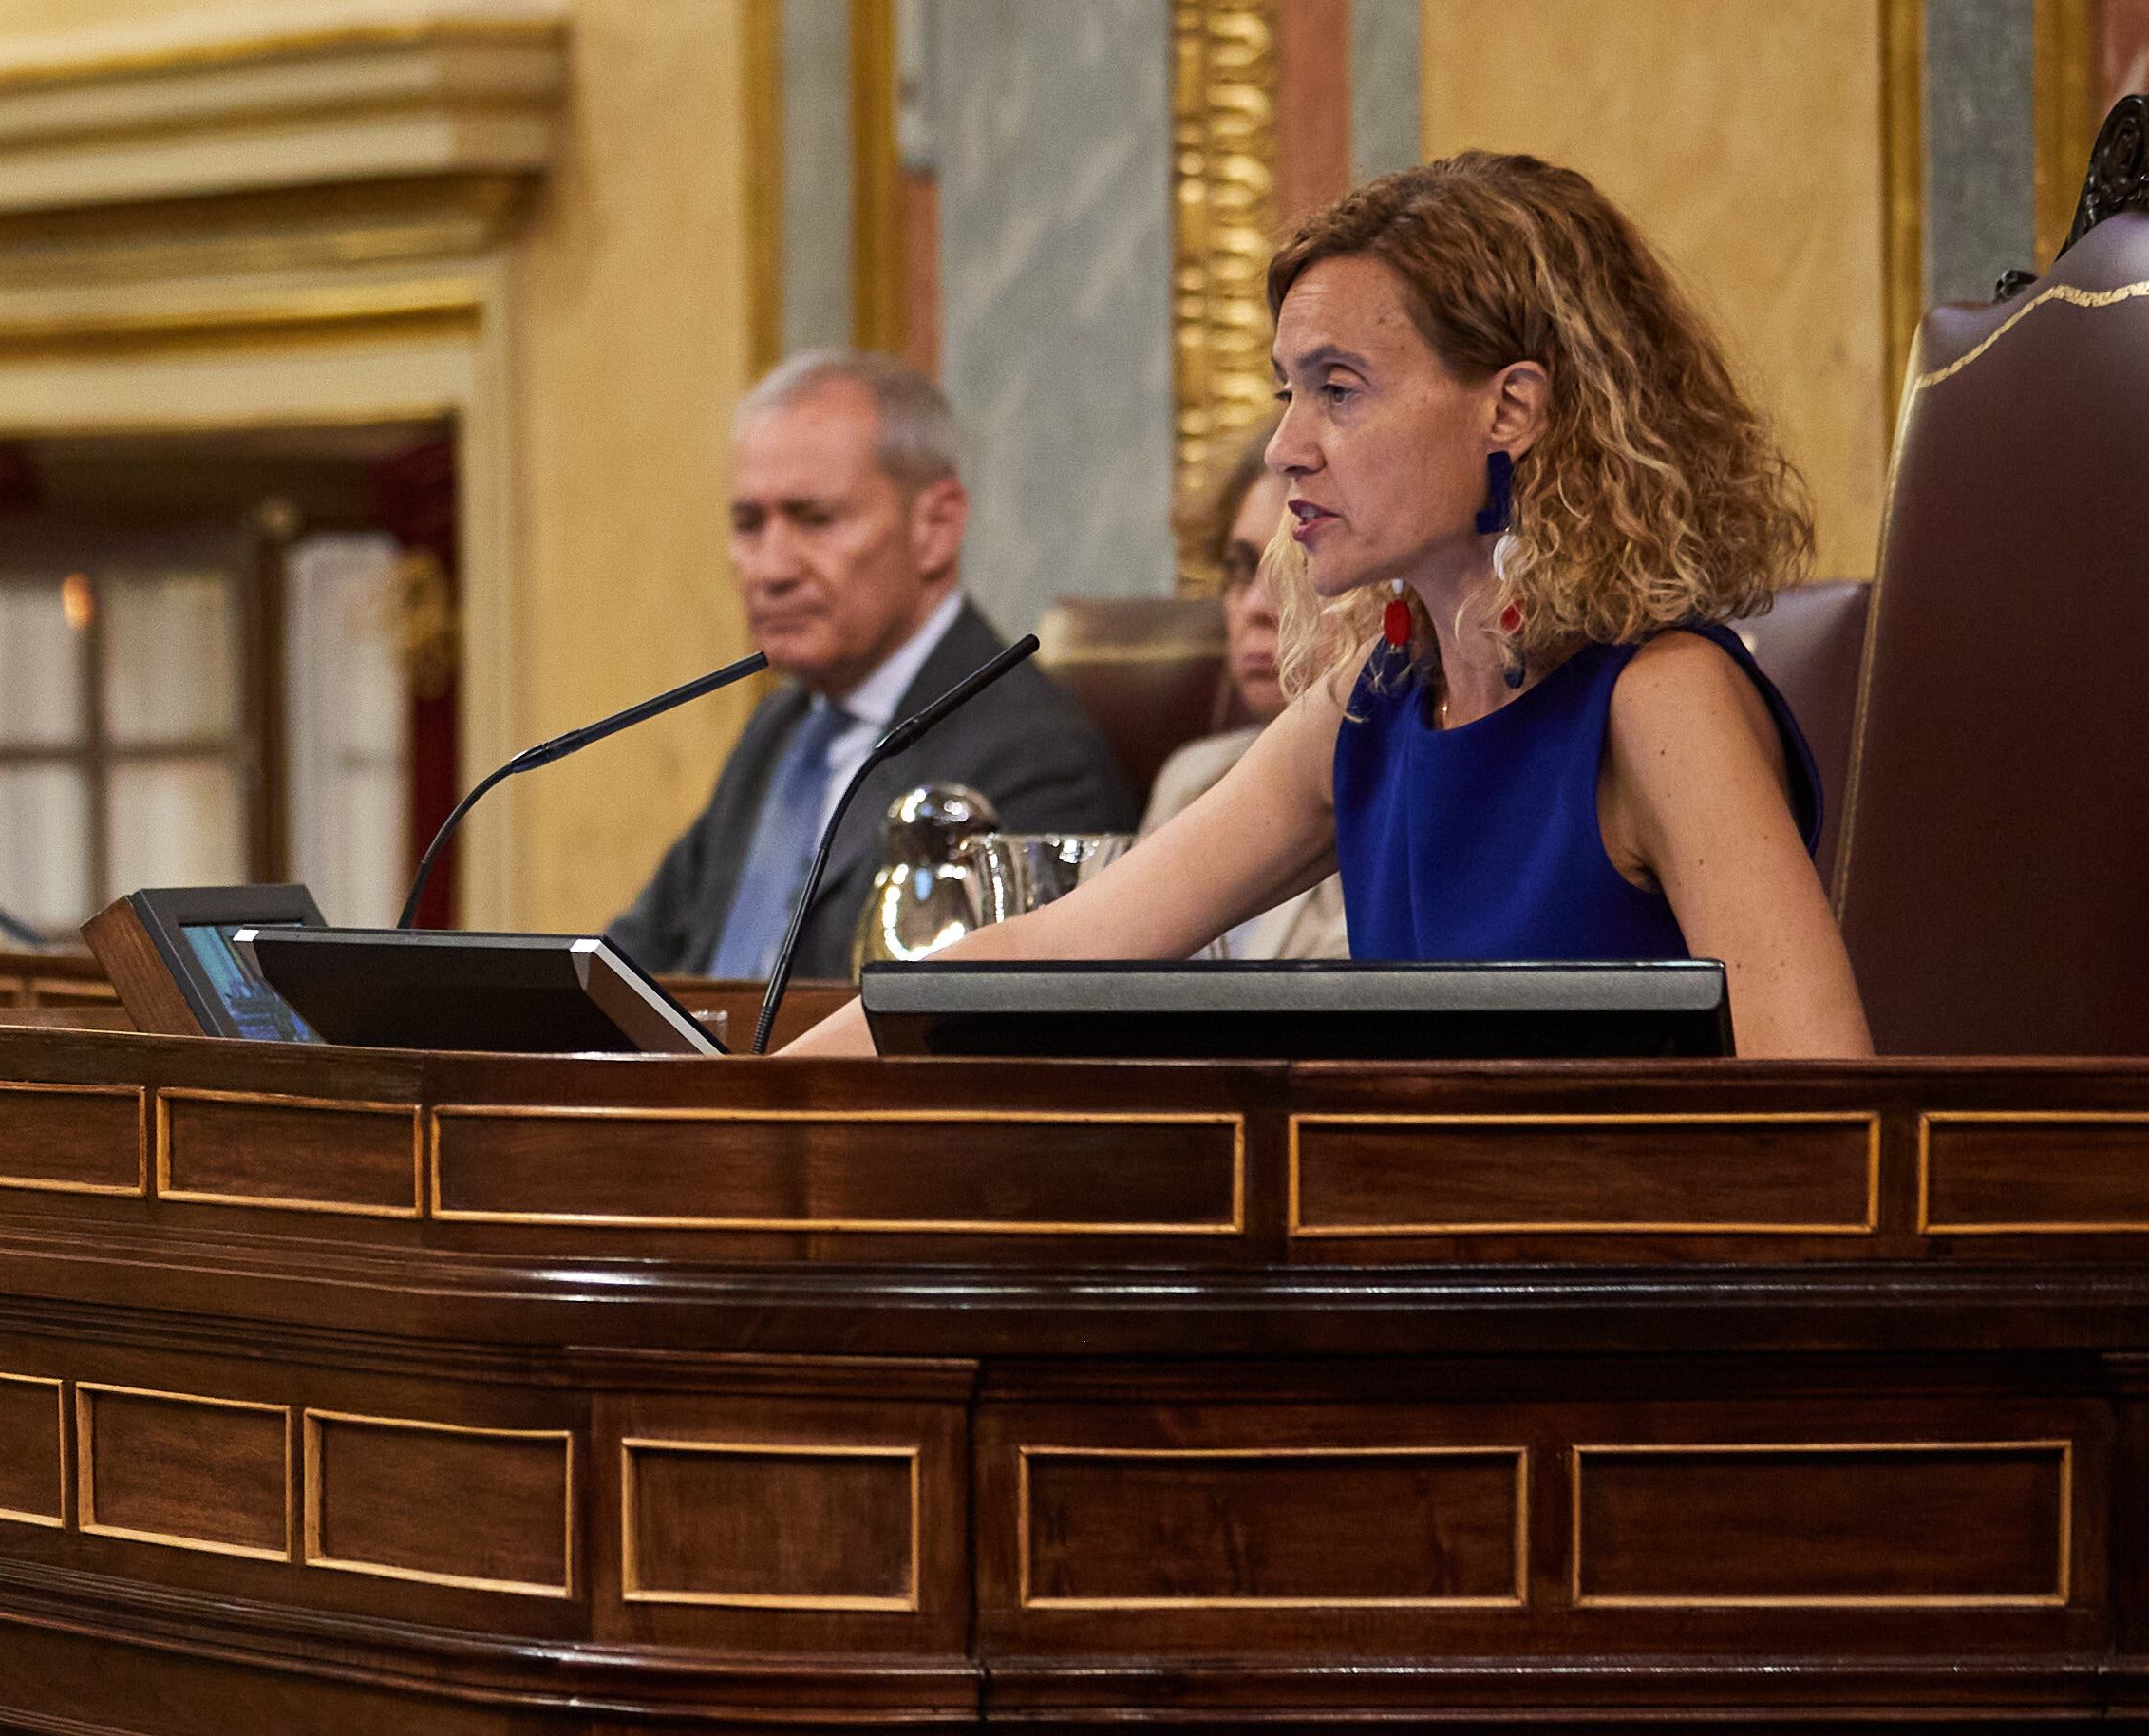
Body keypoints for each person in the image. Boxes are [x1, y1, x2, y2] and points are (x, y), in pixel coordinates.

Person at [794, 154, 1867, 1059]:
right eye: (1286, 391)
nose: (1284, 448)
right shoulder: (1375, 705)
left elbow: (1823, 1105)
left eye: (1338, 389)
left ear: (1511, 408)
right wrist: (725, 1107)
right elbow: (1049, 951)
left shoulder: (1660, 701)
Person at [608, 349, 1136, 989]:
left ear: (936, 527)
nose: (771, 568)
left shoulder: (1035, 757)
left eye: (815, 520)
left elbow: (970, 1035)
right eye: (749, 524)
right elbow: (635, 960)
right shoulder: (782, 728)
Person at [1132, 417, 1347, 960]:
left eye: (1297, 567)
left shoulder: (1394, 792)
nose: (1255, 607)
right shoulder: (1191, 781)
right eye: (1241, 569)